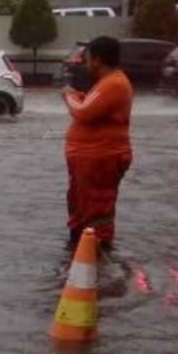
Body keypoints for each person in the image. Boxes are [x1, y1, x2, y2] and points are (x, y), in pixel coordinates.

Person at [62, 35, 133, 247]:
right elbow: (92, 108)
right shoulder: (106, 84)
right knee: (82, 207)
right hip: (90, 159)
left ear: (97, 60)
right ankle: (79, 250)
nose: (84, 64)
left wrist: (69, 96)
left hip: (100, 158)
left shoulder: (113, 84)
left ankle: (97, 254)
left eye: (87, 59)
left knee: (96, 208)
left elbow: (84, 112)